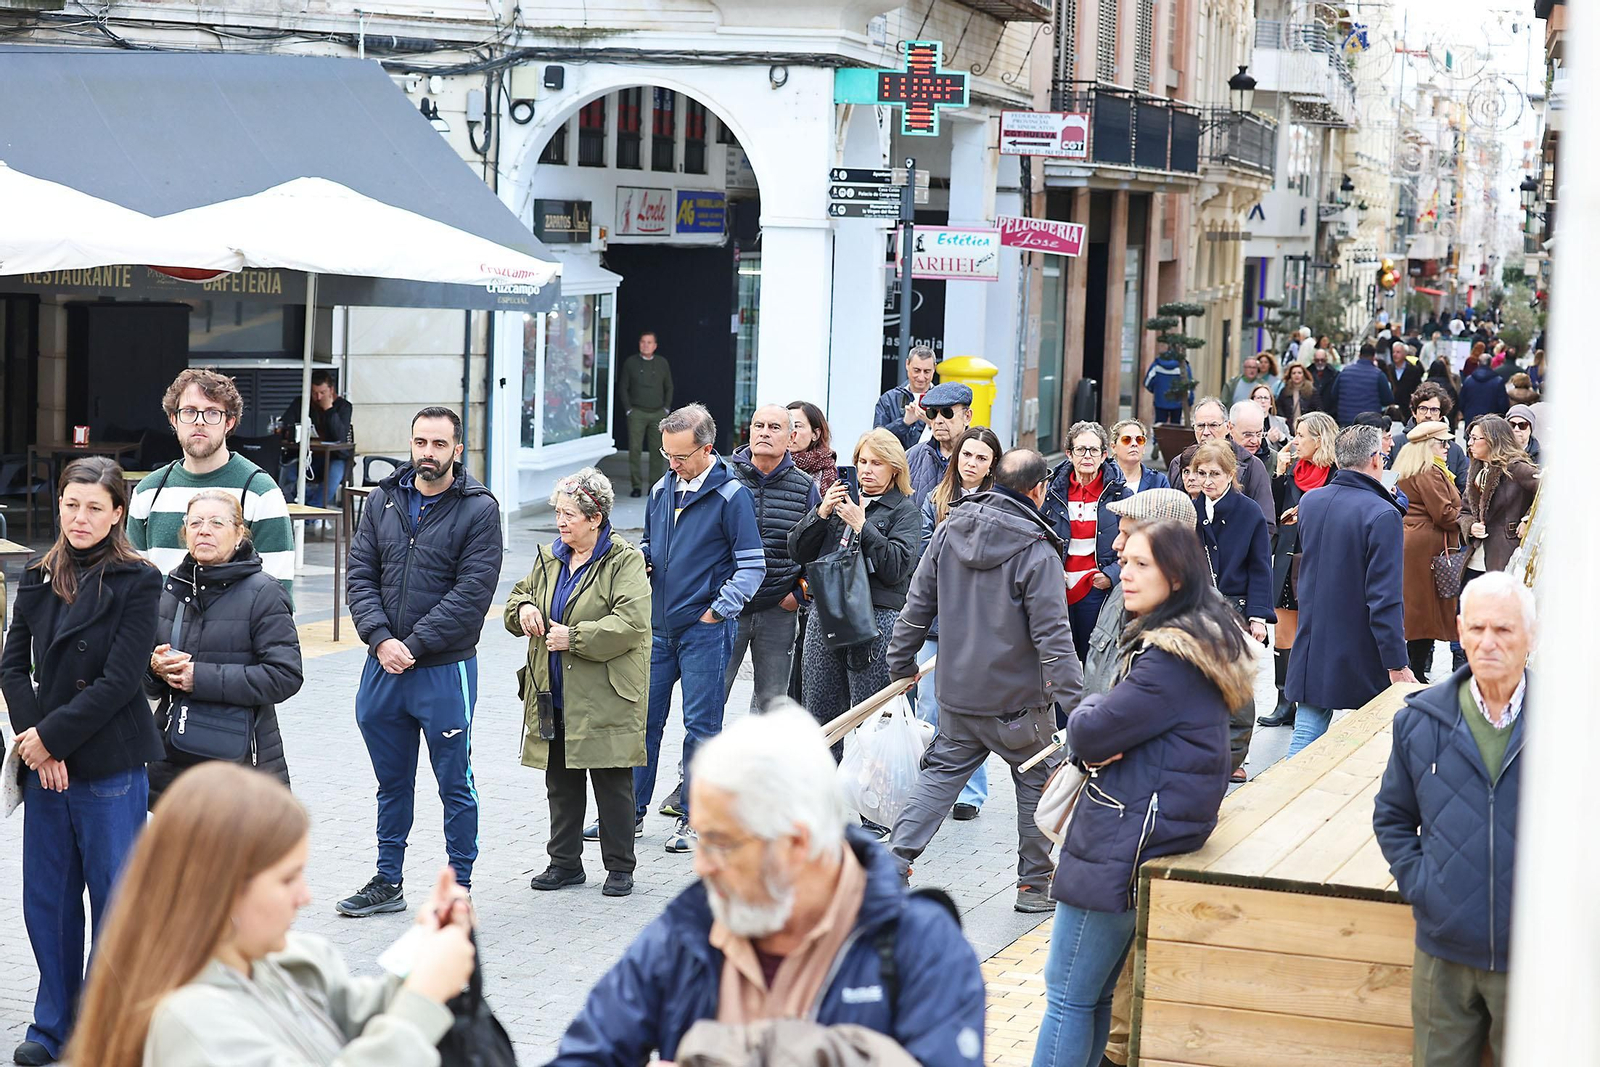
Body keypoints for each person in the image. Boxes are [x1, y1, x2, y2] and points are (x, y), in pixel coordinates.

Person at [548, 709, 986, 1067]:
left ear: (796, 845)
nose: (701, 866)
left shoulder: (920, 947)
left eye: (720, 843)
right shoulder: (691, 927)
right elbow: (587, 1052)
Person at [68, 764, 478, 1067]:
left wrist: (424, 949)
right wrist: (424, 996)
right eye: (287, 879)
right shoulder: (191, 1023)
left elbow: (359, 1014)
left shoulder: (277, 962)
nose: (305, 897)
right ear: (221, 889)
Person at [1031, 519, 1253, 1067]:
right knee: (1093, 997)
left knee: (1067, 996)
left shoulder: (1170, 660)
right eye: (1125, 562)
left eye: (1140, 564)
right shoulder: (1199, 640)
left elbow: (1088, 731)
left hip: (1123, 839)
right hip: (1146, 831)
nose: (1125, 574)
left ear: (1176, 576)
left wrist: (1092, 710)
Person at [0, 457, 163, 1067]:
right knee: (48, 902)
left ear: (117, 513)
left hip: (108, 766)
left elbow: (121, 680)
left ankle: (104, 1027)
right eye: (72, 504)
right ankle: (52, 1026)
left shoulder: (138, 579)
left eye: (95, 507)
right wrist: (34, 743)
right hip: (46, 763)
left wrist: (53, 740)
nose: (80, 517)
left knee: (114, 902)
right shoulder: (37, 574)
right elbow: (12, 667)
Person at [886, 449, 1083, 914]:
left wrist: (900, 663)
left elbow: (917, 605)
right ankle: (1033, 886)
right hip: (1019, 703)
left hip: (957, 693)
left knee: (939, 778)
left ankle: (892, 865)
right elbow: (1054, 638)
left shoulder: (949, 529)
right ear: (1039, 490)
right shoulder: (1037, 550)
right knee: (1037, 781)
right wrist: (1080, 708)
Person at [341, 406, 502, 915]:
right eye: (420, 442)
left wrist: (411, 645)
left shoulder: (479, 509)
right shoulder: (383, 499)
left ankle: (460, 886)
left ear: (458, 449)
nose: (427, 453)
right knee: (391, 784)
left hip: (442, 670)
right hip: (383, 667)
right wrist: (380, 639)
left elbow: (473, 593)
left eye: (438, 444)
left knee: (455, 783)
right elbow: (359, 574)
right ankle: (387, 881)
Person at [1373, 573, 1532, 1067]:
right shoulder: (1420, 721)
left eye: (1503, 630)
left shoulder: (1572, 725)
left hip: (1539, 958)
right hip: (1443, 954)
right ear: (1459, 631)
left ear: (1532, 635)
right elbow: (1392, 817)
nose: (1488, 642)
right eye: (1477, 628)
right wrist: (1426, 888)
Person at [506, 467, 649, 898]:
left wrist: (576, 638)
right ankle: (564, 863)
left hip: (605, 694)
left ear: (595, 517)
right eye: (558, 513)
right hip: (553, 692)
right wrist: (525, 608)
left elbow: (632, 622)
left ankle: (620, 867)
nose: (560, 522)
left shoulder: (624, 560)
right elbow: (517, 596)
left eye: (569, 514)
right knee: (560, 784)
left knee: (612, 782)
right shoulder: (551, 556)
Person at [634, 403, 764, 854]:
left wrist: (718, 611)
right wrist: (644, 560)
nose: (672, 464)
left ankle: (697, 820)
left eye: (680, 456)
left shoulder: (732, 495)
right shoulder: (660, 489)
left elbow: (752, 565)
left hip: (705, 631)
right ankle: (629, 814)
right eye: (666, 454)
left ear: (707, 450)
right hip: (657, 629)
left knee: (701, 730)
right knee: (642, 723)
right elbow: (649, 542)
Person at [144, 490, 301, 806]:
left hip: (240, 760)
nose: (204, 530)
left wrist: (199, 678)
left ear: (239, 534)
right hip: (175, 759)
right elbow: (149, 682)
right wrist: (154, 668)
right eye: (195, 523)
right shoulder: (173, 589)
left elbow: (285, 676)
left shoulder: (265, 593)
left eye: (217, 523)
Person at [1283, 425, 1415, 758]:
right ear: (1376, 459)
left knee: (1306, 733)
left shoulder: (1311, 501)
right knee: (1372, 744)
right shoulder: (1382, 513)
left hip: (1314, 636)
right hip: (1362, 643)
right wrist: (1397, 662)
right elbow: (1385, 597)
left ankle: (1287, 789)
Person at [789, 429, 920, 760]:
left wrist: (864, 525)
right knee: (820, 713)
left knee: (871, 718)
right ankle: (822, 788)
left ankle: (870, 793)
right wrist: (820, 513)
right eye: (862, 461)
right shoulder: (839, 503)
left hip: (876, 618)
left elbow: (895, 568)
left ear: (895, 468)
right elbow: (797, 551)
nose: (867, 470)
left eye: (877, 463)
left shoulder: (905, 511)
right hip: (827, 614)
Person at [128, 368, 295, 600]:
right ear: (174, 419)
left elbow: (277, 595)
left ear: (229, 422)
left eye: (212, 413)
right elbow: (134, 586)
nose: (199, 421)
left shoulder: (260, 492)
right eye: (189, 411)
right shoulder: (148, 492)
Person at [915, 426, 1001, 820]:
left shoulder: (1001, 504)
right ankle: (931, 784)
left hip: (979, 625)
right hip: (936, 619)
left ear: (992, 464)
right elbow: (924, 557)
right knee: (929, 707)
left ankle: (971, 792)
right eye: (967, 455)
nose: (972, 463)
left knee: (972, 709)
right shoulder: (935, 499)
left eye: (982, 457)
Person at [723, 406, 820, 714]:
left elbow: (819, 549)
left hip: (779, 609)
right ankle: (700, 752)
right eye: (759, 426)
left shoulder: (805, 487)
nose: (765, 432)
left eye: (774, 427)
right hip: (728, 608)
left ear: (791, 437)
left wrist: (801, 593)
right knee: (712, 698)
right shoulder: (724, 479)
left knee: (772, 707)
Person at [1259, 412, 1338, 729]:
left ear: (1319, 439)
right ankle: (1284, 701)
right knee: (1283, 632)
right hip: (1287, 558)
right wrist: (1279, 475)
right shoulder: (1293, 469)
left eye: (1301, 435)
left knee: (1314, 632)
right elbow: (1274, 509)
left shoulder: (1337, 474)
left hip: (1318, 561)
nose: (1295, 441)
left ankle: (1311, 698)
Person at [1041, 422, 1120, 664]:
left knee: (1093, 661)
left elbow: (1134, 545)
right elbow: (1038, 536)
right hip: (1057, 589)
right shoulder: (1051, 493)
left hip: (1096, 591)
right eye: (1081, 450)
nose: (1087, 456)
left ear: (1104, 455)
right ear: (1069, 454)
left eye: (1094, 450)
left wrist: (1110, 575)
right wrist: (1050, 570)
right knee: (1060, 661)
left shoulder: (1119, 494)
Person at [1392, 423, 1462, 684]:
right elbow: (1443, 514)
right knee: (1423, 613)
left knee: (1416, 611)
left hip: (1413, 543)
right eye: (1442, 442)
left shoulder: (1412, 468)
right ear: (1427, 445)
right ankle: (1416, 673)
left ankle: (1414, 670)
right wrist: (1469, 517)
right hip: (1427, 547)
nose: (1447, 447)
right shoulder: (1429, 471)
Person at [1191, 442, 1272, 642]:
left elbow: (1260, 567)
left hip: (1237, 610)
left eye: (1215, 474)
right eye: (1202, 473)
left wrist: (1258, 616)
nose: (1207, 481)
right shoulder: (1191, 510)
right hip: (1196, 608)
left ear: (1230, 475)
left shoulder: (1250, 511)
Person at [1163, 398, 1276, 536]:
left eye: (1213, 425)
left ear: (1228, 427)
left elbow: (1265, 524)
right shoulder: (1179, 463)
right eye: (1200, 426)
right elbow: (1168, 515)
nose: (1206, 432)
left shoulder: (1252, 465)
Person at [1459, 415, 1539, 584]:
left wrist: (1528, 520)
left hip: (1505, 557)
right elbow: (1464, 511)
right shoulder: (1477, 469)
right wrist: (1471, 526)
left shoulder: (1516, 467)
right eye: (1469, 438)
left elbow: (1548, 490)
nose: (1469, 443)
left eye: (1475, 438)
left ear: (1492, 440)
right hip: (1475, 558)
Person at [277, 368, 353, 508]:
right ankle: (297, 507)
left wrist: (329, 409)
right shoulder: (302, 403)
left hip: (335, 457)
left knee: (332, 478)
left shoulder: (343, 407)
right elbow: (285, 425)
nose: (318, 397)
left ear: (331, 390)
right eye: (314, 393)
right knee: (289, 473)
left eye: (322, 393)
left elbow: (340, 436)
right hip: (306, 456)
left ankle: (311, 513)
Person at [620, 330, 675, 497]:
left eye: (649, 342)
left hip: (658, 413)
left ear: (655, 345)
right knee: (635, 450)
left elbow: (669, 386)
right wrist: (629, 409)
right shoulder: (631, 363)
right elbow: (623, 387)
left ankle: (654, 486)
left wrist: (666, 408)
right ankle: (636, 486)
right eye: (643, 342)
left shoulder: (662, 363)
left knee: (658, 451)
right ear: (639, 344)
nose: (646, 345)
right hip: (637, 412)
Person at [1393, 383, 1469, 492]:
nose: (1428, 415)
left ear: (1441, 415)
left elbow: (1463, 488)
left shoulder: (1454, 450)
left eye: (1434, 410)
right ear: (1414, 412)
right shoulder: (1395, 444)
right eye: (1423, 408)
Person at [905, 381, 974, 497]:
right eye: (932, 413)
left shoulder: (983, 459)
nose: (938, 420)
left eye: (947, 412)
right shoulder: (912, 457)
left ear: (967, 416)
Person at [874, 344, 939, 451]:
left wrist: (932, 423)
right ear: (907, 364)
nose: (921, 377)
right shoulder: (888, 399)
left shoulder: (942, 400)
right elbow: (876, 441)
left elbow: (955, 439)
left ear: (934, 369)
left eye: (927, 371)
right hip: (895, 460)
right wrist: (904, 423)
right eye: (916, 370)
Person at [1327, 342, 1395, 426]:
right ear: (1373, 357)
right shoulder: (1379, 375)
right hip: (1369, 422)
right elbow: (1388, 400)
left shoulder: (1345, 371)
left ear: (1359, 355)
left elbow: (1334, 394)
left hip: (1345, 420)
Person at [785, 399, 838, 493]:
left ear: (815, 434)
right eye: (786, 426)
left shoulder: (829, 471)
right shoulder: (769, 465)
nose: (790, 432)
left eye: (797, 426)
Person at [1105, 419, 1169, 492]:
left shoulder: (1159, 481)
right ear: (1113, 447)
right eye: (1126, 439)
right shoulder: (1102, 479)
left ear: (1144, 447)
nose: (1134, 444)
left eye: (1139, 440)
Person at [1142, 348, 1191, 424]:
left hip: (1160, 400)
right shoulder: (1183, 366)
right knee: (1176, 426)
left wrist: (1155, 390)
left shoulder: (1157, 364)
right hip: (1177, 402)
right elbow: (1188, 386)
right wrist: (1190, 401)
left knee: (1159, 425)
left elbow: (1147, 382)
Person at [1458, 356, 1510, 424]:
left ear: (1478, 363)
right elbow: (1503, 404)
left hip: (1471, 418)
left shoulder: (1468, 380)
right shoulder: (1498, 381)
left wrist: (1465, 413)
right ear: (1491, 364)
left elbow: (1462, 401)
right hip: (1491, 420)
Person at [1275, 362, 1321, 428]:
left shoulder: (1312, 391)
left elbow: (1318, 409)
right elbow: (1279, 407)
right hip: (1288, 426)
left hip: (1307, 426)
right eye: (1294, 373)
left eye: (1299, 373)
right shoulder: (1285, 391)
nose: (1296, 375)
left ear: (1304, 375)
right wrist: (1283, 418)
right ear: (1290, 375)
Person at [1386, 341, 1424, 416]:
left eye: (1398, 352)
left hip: (1407, 408)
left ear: (1405, 354)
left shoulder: (1414, 370)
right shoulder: (1388, 369)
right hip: (1391, 409)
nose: (1395, 355)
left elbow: (1417, 389)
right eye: (1393, 352)